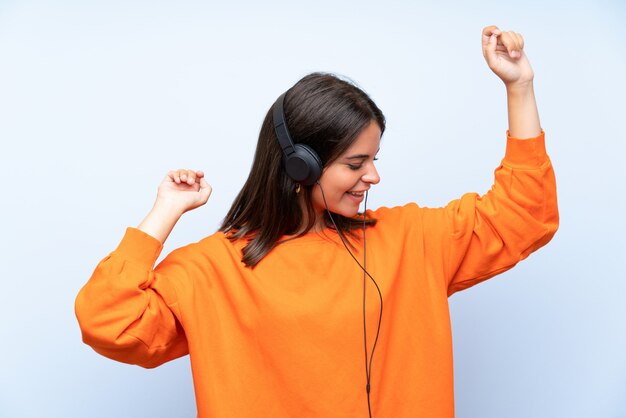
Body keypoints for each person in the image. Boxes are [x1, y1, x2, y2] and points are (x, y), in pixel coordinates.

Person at [75, 25, 559, 418]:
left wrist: (520, 87)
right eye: (355, 163)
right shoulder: (212, 269)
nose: (373, 175)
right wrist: (165, 211)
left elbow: (524, 213)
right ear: (300, 165)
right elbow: (108, 322)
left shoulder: (410, 240)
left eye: (373, 158)